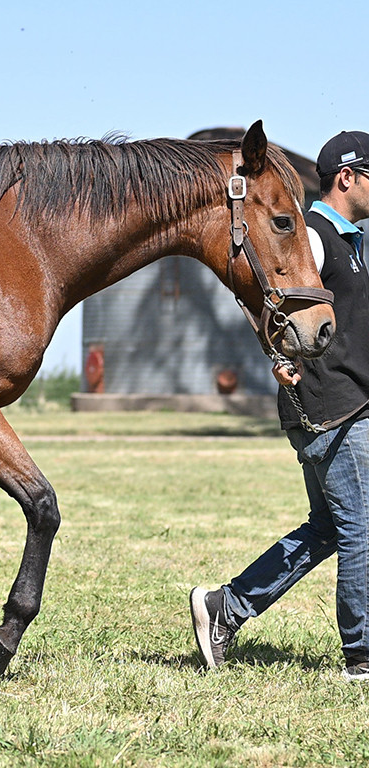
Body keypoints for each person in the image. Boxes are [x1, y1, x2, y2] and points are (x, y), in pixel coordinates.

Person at [190, 130, 369, 681]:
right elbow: (265, 291)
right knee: (362, 530)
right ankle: (362, 654)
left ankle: (225, 606)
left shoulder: (351, 242)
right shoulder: (311, 236)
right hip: (333, 408)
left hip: (344, 403)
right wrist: (276, 354)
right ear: (348, 177)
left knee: (328, 529)